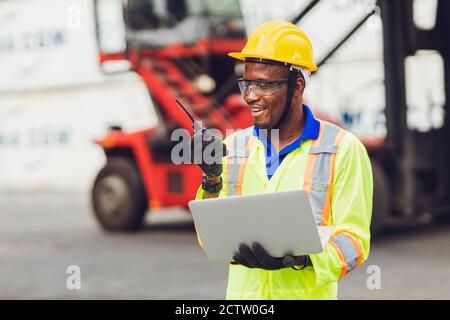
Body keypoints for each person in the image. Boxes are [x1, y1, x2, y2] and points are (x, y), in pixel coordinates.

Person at [190, 20, 373, 300]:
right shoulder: (232, 147)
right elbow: (211, 239)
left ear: (296, 86)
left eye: (263, 85)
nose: (250, 97)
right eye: (247, 84)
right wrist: (211, 179)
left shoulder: (342, 149)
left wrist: (302, 259)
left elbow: (354, 242)